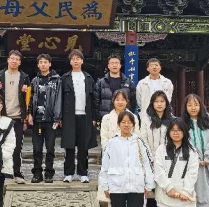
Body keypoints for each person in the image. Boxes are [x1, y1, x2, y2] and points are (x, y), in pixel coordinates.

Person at [99, 111, 153, 207]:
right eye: (123, 122)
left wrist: (148, 184)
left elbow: (147, 164)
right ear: (119, 124)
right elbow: (105, 166)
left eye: (129, 122)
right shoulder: (112, 143)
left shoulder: (139, 142)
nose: (126, 125)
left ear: (134, 125)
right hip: (117, 186)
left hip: (136, 186)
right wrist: (105, 185)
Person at [0, 50, 30, 184]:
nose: (14, 61)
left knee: (17, 147)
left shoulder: (24, 77)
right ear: (8, 60)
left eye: (17, 59)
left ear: (20, 62)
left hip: (17, 117)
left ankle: (17, 173)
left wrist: (26, 116)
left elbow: (28, 98)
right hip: (1, 116)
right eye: (12, 58)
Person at [140, 90, 174, 207]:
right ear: (152, 103)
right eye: (156, 101)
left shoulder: (172, 120)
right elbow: (143, 140)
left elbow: (174, 140)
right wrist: (151, 158)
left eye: (162, 101)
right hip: (150, 162)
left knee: (165, 193)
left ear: (166, 103)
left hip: (167, 162)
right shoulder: (146, 120)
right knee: (152, 195)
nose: (159, 104)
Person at [60, 49, 98, 183]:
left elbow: (93, 99)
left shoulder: (88, 78)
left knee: (83, 146)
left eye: (78, 58)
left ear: (82, 60)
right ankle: (68, 173)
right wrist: (60, 117)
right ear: (70, 62)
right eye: (73, 59)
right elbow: (60, 99)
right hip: (69, 116)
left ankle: (83, 173)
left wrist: (94, 117)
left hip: (85, 116)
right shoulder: (64, 78)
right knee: (69, 146)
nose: (75, 61)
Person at [27, 54, 62, 183]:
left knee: (50, 148)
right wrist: (29, 113)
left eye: (45, 62)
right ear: (38, 65)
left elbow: (59, 99)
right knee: (37, 148)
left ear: (50, 64)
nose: (43, 64)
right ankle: (37, 173)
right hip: (37, 120)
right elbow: (30, 99)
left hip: (51, 119)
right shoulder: (34, 81)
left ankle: (49, 173)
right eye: (40, 62)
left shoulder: (57, 80)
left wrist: (57, 117)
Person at [94, 54, 136, 121]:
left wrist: (129, 113)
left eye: (116, 63)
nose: (114, 65)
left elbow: (133, 101)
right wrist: (97, 117)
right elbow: (96, 102)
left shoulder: (129, 83)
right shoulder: (101, 82)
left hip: (124, 118)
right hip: (106, 118)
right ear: (108, 66)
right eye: (112, 63)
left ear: (120, 65)